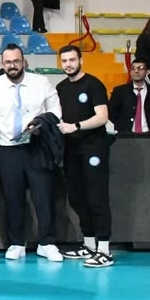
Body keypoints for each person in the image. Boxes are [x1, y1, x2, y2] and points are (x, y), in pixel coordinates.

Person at [0, 44, 64, 261]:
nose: (12, 66)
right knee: (12, 197)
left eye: (16, 61)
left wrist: (40, 123)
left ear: (23, 61)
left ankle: (47, 243)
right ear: (2, 63)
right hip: (6, 149)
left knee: (43, 196)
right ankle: (16, 243)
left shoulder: (41, 82)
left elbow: (55, 110)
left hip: (37, 146)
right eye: (8, 62)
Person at [56, 46, 114, 268]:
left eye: (72, 59)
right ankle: (89, 245)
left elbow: (102, 117)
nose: (68, 64)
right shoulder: (61, 87)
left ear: (81, 60)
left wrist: (76, 126)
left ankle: (104, 250)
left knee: (97, 198)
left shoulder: (93, 84)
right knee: (78, 198)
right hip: (72, 150)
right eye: (64, 61)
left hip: (94, 149)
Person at [109, 58, 150, 134]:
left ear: (147, 72)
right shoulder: (119, 91)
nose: (136, 71)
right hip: (126, 136)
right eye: (133, 68)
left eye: (141, 68)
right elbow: (111, 113)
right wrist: (122, 126)